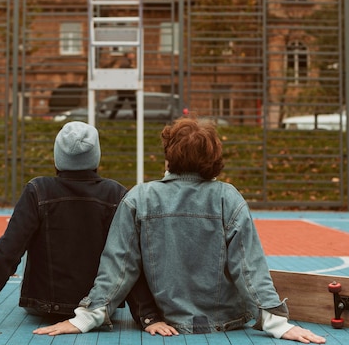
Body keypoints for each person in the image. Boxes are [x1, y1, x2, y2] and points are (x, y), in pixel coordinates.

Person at [34, 118, 326, 343]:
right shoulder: (228, 197)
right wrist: (277, 323)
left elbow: (118, 266)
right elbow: (248, 268)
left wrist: (86, 317)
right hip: (228, 321)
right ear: (213, 158)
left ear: (168, 154)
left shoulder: (139, 197)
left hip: (166, 323)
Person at [0, 121, 171, 334]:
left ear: (57, 158)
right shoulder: (116, 193)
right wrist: (148, 316)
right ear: (96, 158)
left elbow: (7, 252)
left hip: (44, 307)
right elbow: (129, 259)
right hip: (99, 307)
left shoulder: (38, 190)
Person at [108, 52, 137, 120]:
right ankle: (137, 118)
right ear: (128, 55)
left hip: (125, 89)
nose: (133, 55)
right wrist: (132, 68)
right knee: (133, 105)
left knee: (120, 104)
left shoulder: (126, 61)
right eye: (132, 53)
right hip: (126, 89)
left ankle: (111, 118)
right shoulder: (125, 62)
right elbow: (125, 73)